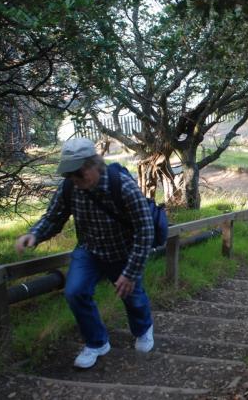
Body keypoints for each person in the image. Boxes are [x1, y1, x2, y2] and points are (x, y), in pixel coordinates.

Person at [15, 137, 155, 369]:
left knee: (133, 297)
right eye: (69, 174)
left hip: (123, 252)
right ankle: (97, 342)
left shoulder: (123, 186)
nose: (74, 179)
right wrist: (34, 235)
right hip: (89, 250)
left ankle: (143, 329)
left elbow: (145, 230)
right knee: (75, 292)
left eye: (78, 173)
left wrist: (130, 272)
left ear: (94, 165)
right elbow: (53, 217)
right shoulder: (70, 187)